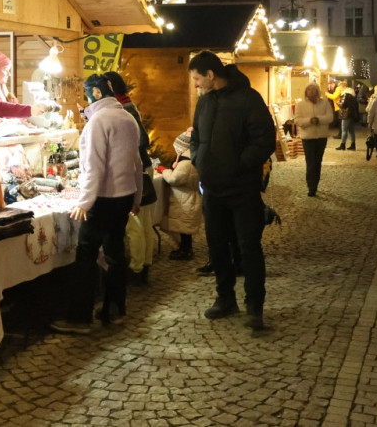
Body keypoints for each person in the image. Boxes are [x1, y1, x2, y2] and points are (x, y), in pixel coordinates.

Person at [188, 51, 276, 332]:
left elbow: (264, 140)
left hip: (242, 189)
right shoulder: (204, 103)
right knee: (217, 247)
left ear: (211, 75)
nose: (195, 85)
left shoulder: (248, 99)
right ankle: (226, 299)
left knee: (248, 247)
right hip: (212, 189)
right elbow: (196, 138)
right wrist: (197, 159)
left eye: (197, 79)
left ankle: (255, 306)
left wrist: (238, 165)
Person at [49, 74, 143, 334]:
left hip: (102, 199)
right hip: (123, 197)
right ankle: (115, 310)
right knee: (115, 254)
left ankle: (79, 319)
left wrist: (85, 202)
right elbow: (137, 163)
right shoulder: (127, 118)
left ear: (95, 94)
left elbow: (93, 167)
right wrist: (136, 196)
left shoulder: (98, 121)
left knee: (86, 257)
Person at [103, 71, 155, 286]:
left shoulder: (123, 108)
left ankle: (135, 269)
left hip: (135, 169)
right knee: (143, 223)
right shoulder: (127, 103)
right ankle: (144, 266)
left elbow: (141, 140)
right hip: (142, 167)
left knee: (134, 224)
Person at [0, 48, 45, 128]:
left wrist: (18, 118)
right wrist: (29, 110)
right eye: (5, 70)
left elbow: (6, 110)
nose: (9, 74)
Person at [159, 130, 202, 260]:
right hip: (188, 198)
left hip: (185, 200)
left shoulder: (186, 163)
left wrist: (164, 170)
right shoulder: (193, 158)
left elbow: (174, 179)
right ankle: (184, 249)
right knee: (184, 228)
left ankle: (185, 251)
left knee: (184, 230)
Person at [294, 82, 334, 197]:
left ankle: (315, 183)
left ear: (317, 92)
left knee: (318, 161)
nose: (311, 92)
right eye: (309, 90)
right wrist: (309, 121)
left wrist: (319, 119)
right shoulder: (301, 105)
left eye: (313, 90)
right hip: (308, 137)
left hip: (321, 137)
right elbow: (297, 120)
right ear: (306, 92)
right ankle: (311, 187)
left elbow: (330, 117)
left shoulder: (325, 103)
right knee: (310, 162)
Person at [335, 86, 360, 151]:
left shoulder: (345, 95)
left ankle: (342, 145)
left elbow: (342, 105)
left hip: (346, 114)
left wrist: (338, 102)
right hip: (352, 114)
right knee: (351, 131)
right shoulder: (353, 95)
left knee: (344, 130)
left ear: (342, 87)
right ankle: (353, 144)